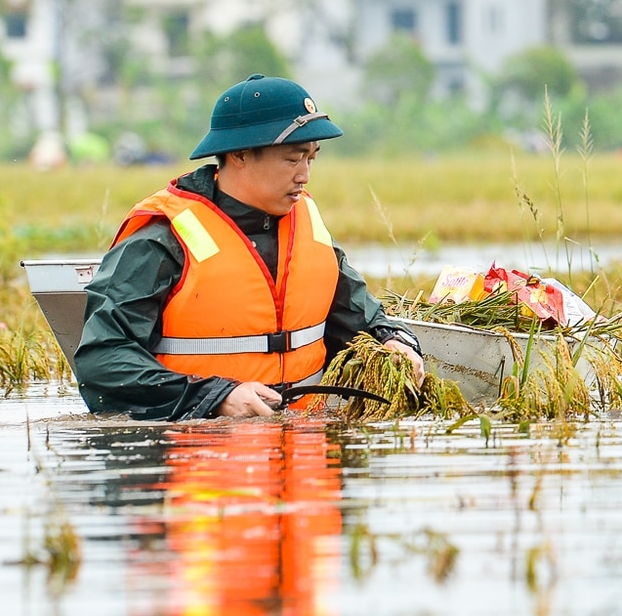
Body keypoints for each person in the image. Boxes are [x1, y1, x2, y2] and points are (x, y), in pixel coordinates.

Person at [75, 74, 425, 420]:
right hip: (199, 450)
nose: (305, 175)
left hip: (305, 449)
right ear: (240, 154)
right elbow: (103, 361)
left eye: (312, 158)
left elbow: (362, 319)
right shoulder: (162, 237)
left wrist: (394, 341)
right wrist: (215, 397)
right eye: (293, 158)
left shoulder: (308, 223)